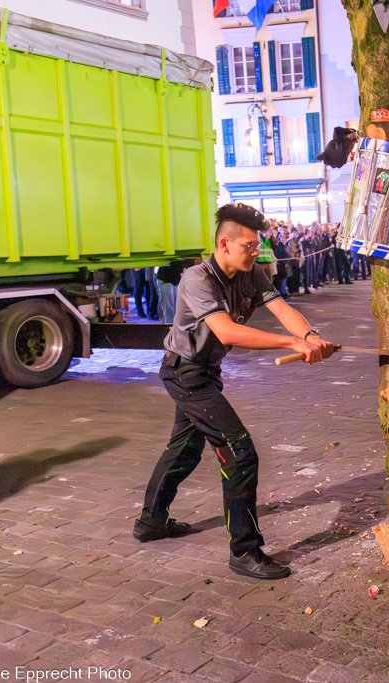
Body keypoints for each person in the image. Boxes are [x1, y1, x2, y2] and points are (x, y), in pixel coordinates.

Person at [134, 203, 336, 580]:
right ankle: (244, 552)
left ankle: (151, 522)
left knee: (183, 449)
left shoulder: (251, 273)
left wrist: (309, 336)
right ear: (224, 244)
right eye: (248, 245)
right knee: (241, 453)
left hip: (205, 373)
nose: (255, 252)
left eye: (257, 245)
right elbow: (227, 331)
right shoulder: (197, 279)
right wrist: (291, 344)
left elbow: (281, 307)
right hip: (185, 375)